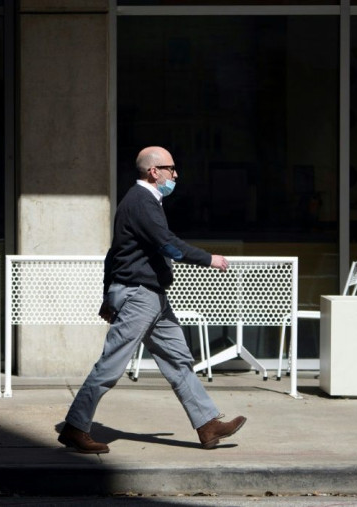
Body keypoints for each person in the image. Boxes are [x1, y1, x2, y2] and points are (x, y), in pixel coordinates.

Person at [58, 146, 247, 454]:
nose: (176, 174)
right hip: (139, 296)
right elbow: (167, 245)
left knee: (178, 360)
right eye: (171, 168)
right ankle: (75, 427)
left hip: (151, 296)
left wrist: (109, 293)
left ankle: (208, 424)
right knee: (111, 365)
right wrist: (208, 259)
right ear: (153, 171)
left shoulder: (145, 202)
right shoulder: (141, 201)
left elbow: (113, 254)